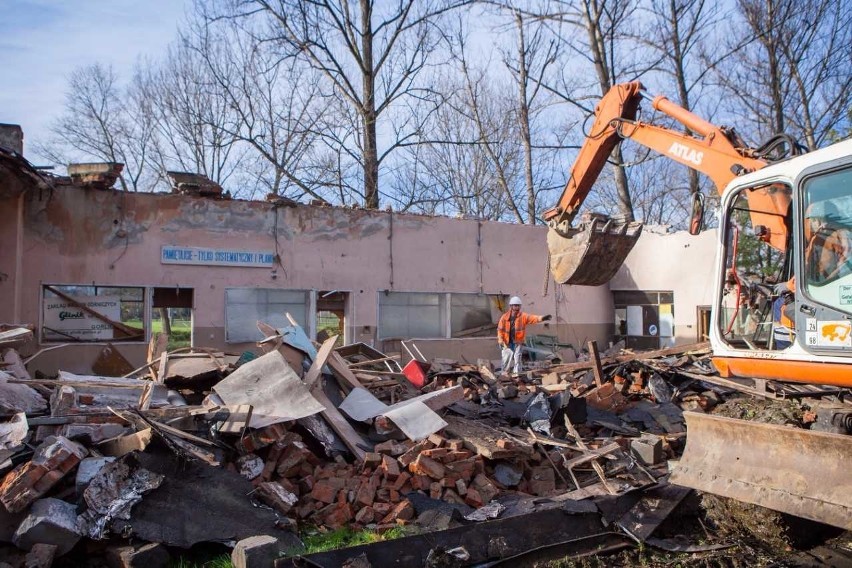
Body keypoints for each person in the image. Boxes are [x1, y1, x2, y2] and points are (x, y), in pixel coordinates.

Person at [497, 296, 552, 375]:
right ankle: (504, 375)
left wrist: (542, 318)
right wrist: (500, 340)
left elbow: (533, 318)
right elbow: (500, 330)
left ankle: (517, 375)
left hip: (517, 342)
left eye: (518, 305)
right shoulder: (504, 317)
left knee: (517, 359)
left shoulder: (523, 316)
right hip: (506, 342)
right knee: (506, 359)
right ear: (511, 306)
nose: (517, 307)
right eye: (515, 305)